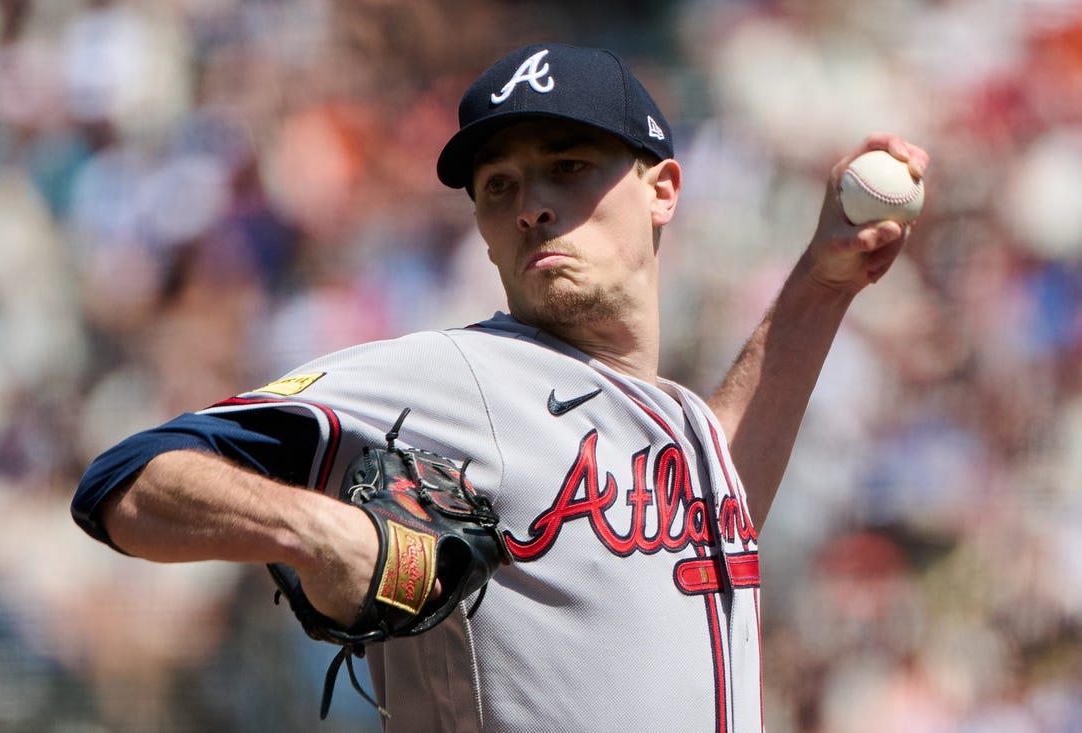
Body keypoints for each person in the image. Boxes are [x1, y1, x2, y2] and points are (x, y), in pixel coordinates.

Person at [72, 42, 928, 732]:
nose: (531, 206)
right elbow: (126, 478)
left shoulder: (676, 419)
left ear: (663, 188)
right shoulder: (454, 376)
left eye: (568, 166)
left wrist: (821, 286)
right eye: (500, 186)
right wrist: (318, 530)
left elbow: (718, 497)